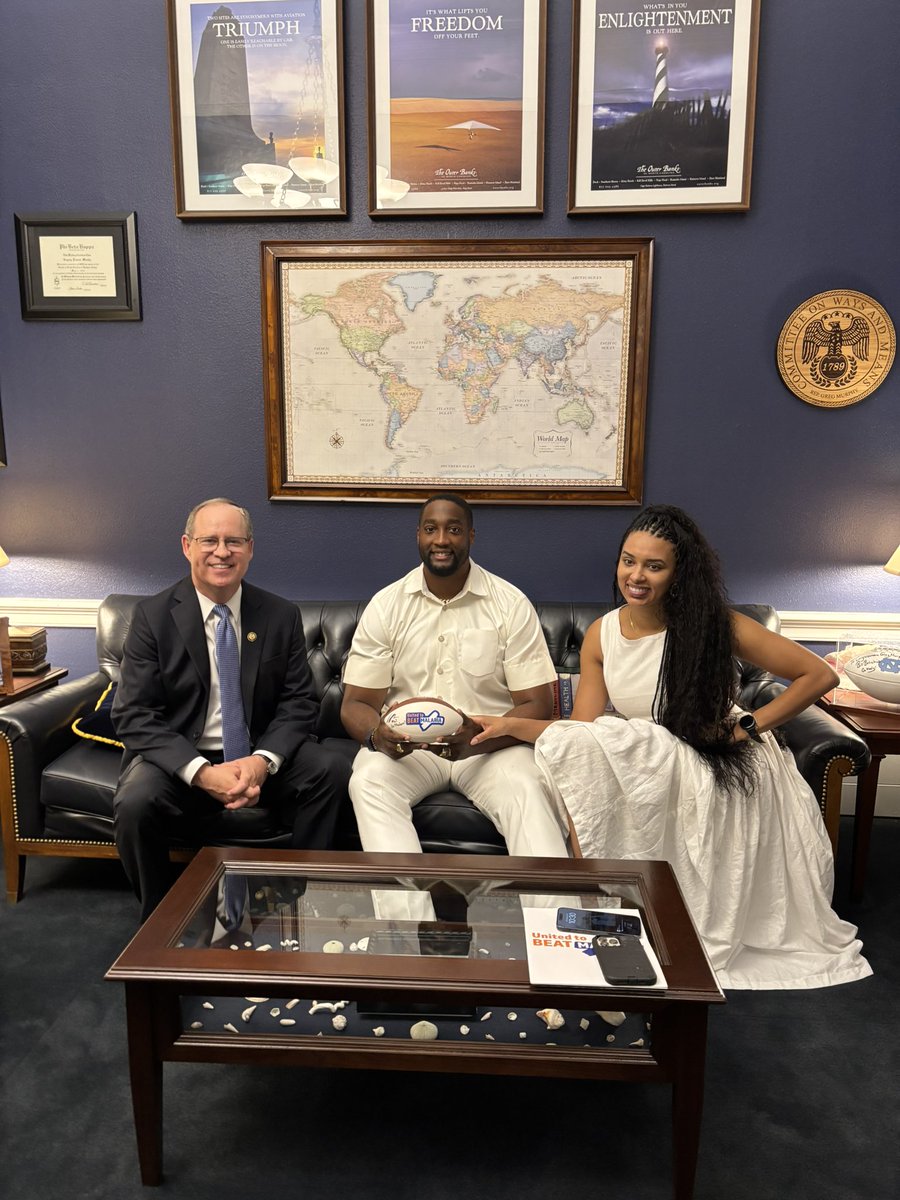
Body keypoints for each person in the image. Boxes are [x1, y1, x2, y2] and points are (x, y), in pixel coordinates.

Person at [471, 504, 872, 990]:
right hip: (650, 754)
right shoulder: (603, 633)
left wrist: (748, 725)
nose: (635, 576)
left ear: (679, 572)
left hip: (715, 756)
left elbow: (820, 674)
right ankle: (594, 910)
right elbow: (580, 732)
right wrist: (509, 726)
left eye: (653, 566)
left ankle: (623, 915)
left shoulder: (718, 624)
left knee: (620, 744)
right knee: (586, 751)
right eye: (628, 561)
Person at [112, 498, 350, 921]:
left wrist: (261, 762)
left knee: (329, 769)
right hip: (184, 759)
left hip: (257, 755)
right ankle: (161, 920)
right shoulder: (152, 617)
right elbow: (134, 714)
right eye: (210, 540)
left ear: (250, 549)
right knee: (135, 802)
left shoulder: (279, 614)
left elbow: (298, 702)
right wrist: (203, 773)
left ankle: (300, 900)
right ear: (187, 546)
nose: (222, 552)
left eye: (234, 541)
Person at [340, 493, 570, 861]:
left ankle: (552, 917)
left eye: (454, 529)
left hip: (491, 749)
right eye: (431, 529)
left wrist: (481, 737)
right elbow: (356, 703)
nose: (442, 539)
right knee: (368, 780)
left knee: (528, 787)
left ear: (471, 537)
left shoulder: (509, 603)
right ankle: (410, 920)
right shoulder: (387, 605)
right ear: (418, 535)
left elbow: (538, 705)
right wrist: (376, 736)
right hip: (410, 749)